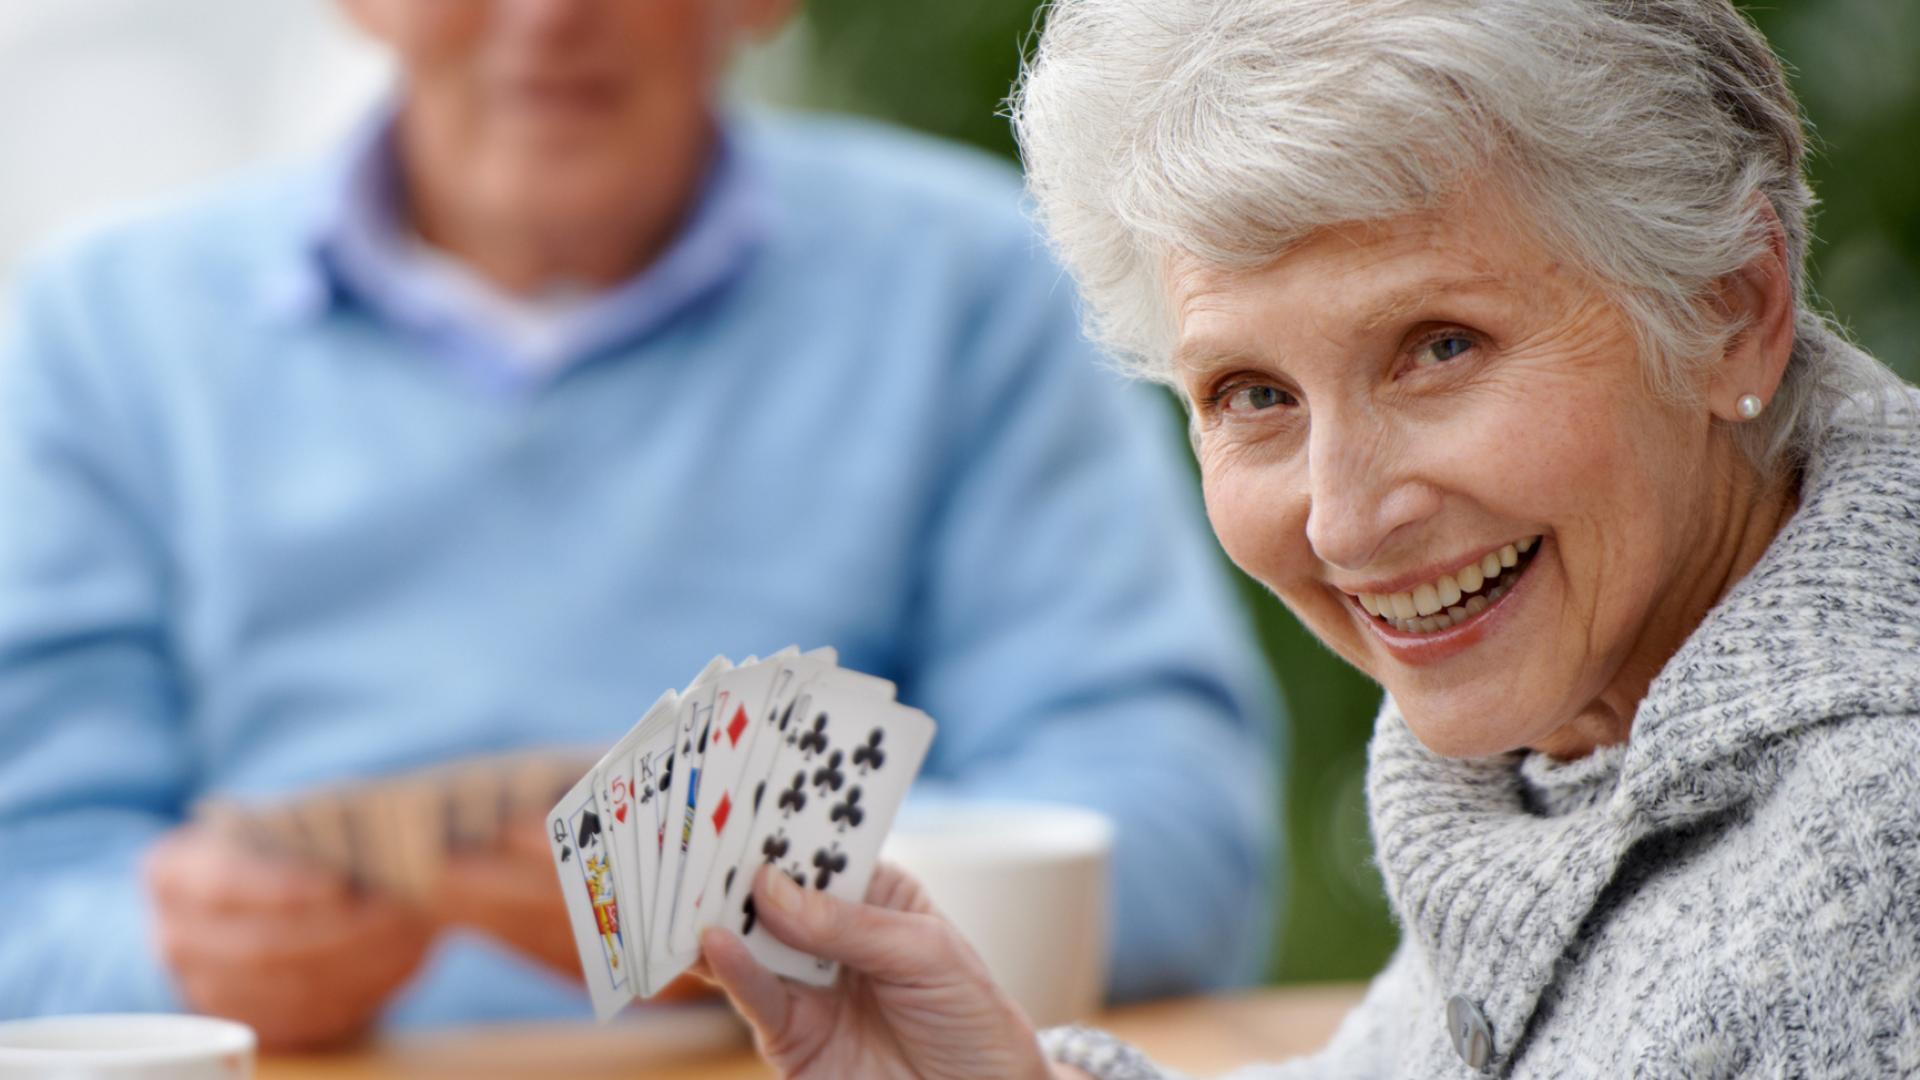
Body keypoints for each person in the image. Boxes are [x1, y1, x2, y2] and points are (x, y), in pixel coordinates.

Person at [0, 0, 1282, 1048]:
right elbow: (26, 878)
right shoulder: (106, 333)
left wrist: (778, 903)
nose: (551, 18)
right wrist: (165, 957)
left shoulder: (972, 287)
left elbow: (1175, 837)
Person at [693, 0, 1920, 1076]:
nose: (1343, 519)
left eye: (1441, 347)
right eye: (1252, 395)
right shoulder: (1598, 739)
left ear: (1731, 312)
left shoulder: (1869, 845)